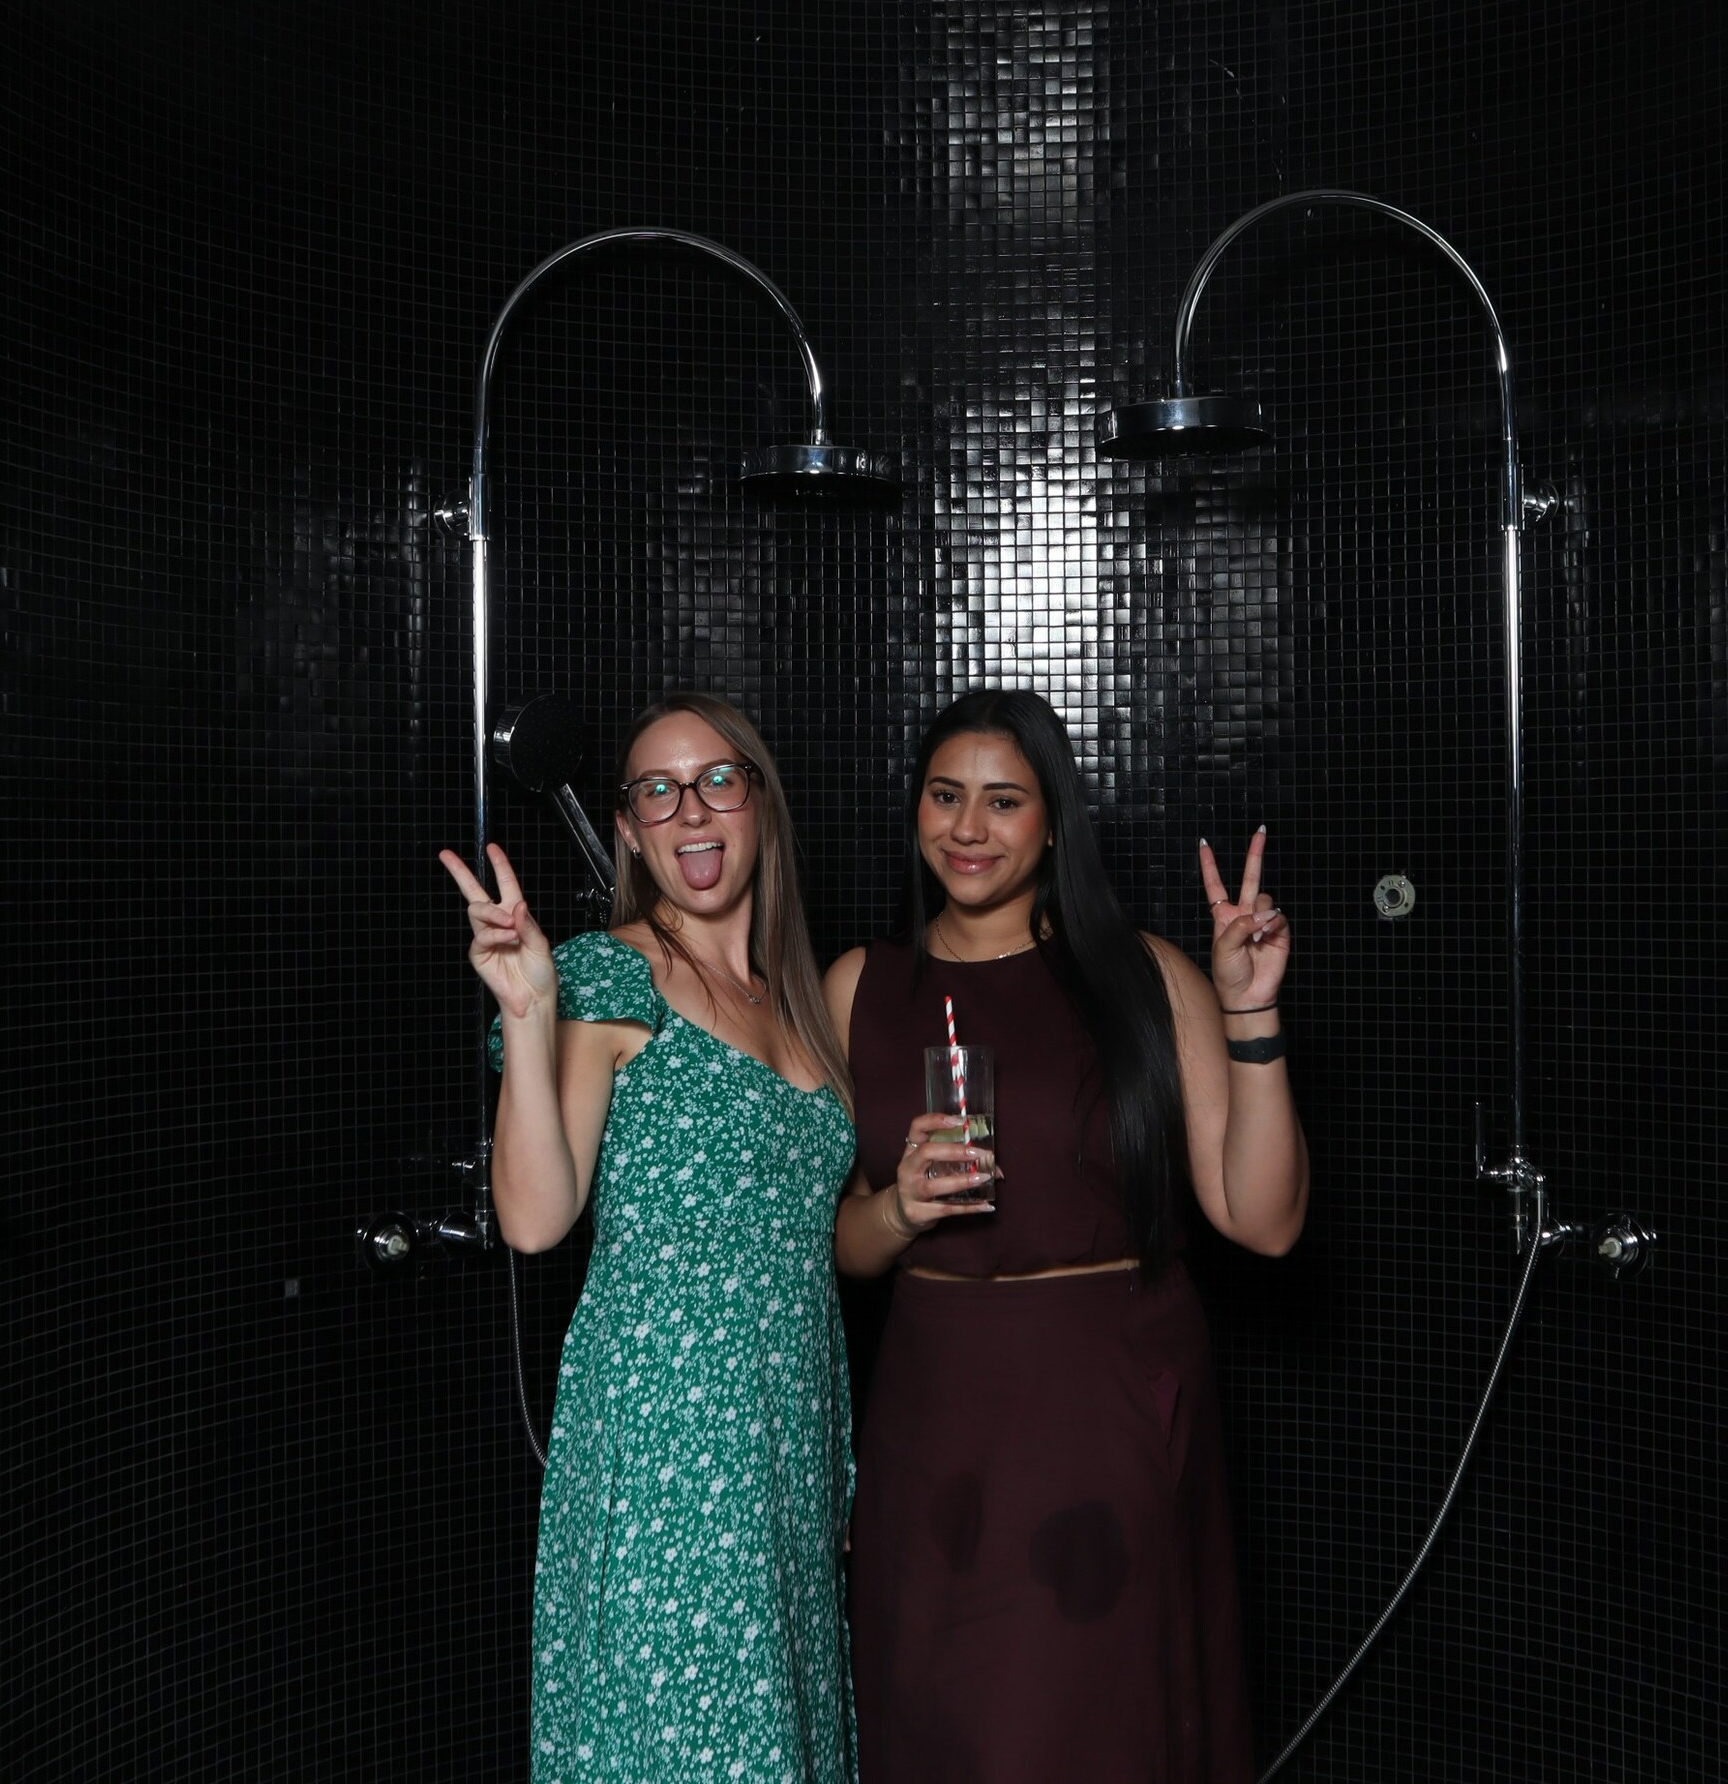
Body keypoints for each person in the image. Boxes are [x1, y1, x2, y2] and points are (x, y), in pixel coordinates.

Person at [827, 688, 1308, 1784]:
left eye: (1005, 801)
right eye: (945, 796)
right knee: (939, 1722)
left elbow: (1266, 1222)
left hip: (1103, 1402)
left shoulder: (1143, 974)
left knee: (1086, 1725)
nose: (969, 827)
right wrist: (900, 1208)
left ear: (1054, 823)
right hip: (934, 1416)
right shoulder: (859, 987)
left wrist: (1251, 1013)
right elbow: (839, 1246)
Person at [443, 691, 860, 1784]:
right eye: (659, 793)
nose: (692, 812)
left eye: (717, 779)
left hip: (788, 1445)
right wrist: (529, 1010)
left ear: (759, 802)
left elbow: (805, 1248)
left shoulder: (796, 1001)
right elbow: (535, 1218)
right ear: (629, 830)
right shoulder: (608, 973)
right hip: (669, 1450)